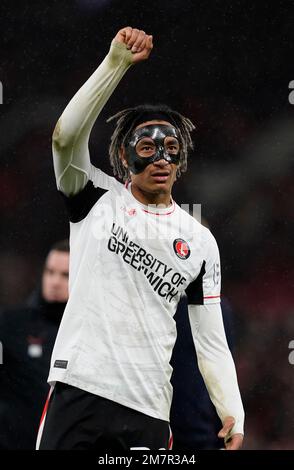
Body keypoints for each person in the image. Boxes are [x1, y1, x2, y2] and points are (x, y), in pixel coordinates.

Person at [37, 27, 244, 451]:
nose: (161, 157)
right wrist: (114, 65)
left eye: (170, 146)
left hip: (148, 410)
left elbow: (210, 338)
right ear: (124, 157)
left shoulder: (200, 242)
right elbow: (64, 136)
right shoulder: (94, 197)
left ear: (181, 157)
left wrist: (232, 408)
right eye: (146, 148)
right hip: (79, 387)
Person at [0, 240, 69, 449]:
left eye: (65, 275)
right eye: (50, 272)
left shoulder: (89, 332)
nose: (55, 281)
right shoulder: (11, 325)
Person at [170, 296, 235, 450]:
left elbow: (224, 379)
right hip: (163, 428)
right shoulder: (157, 303)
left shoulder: (218, 309)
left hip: (196, 434)